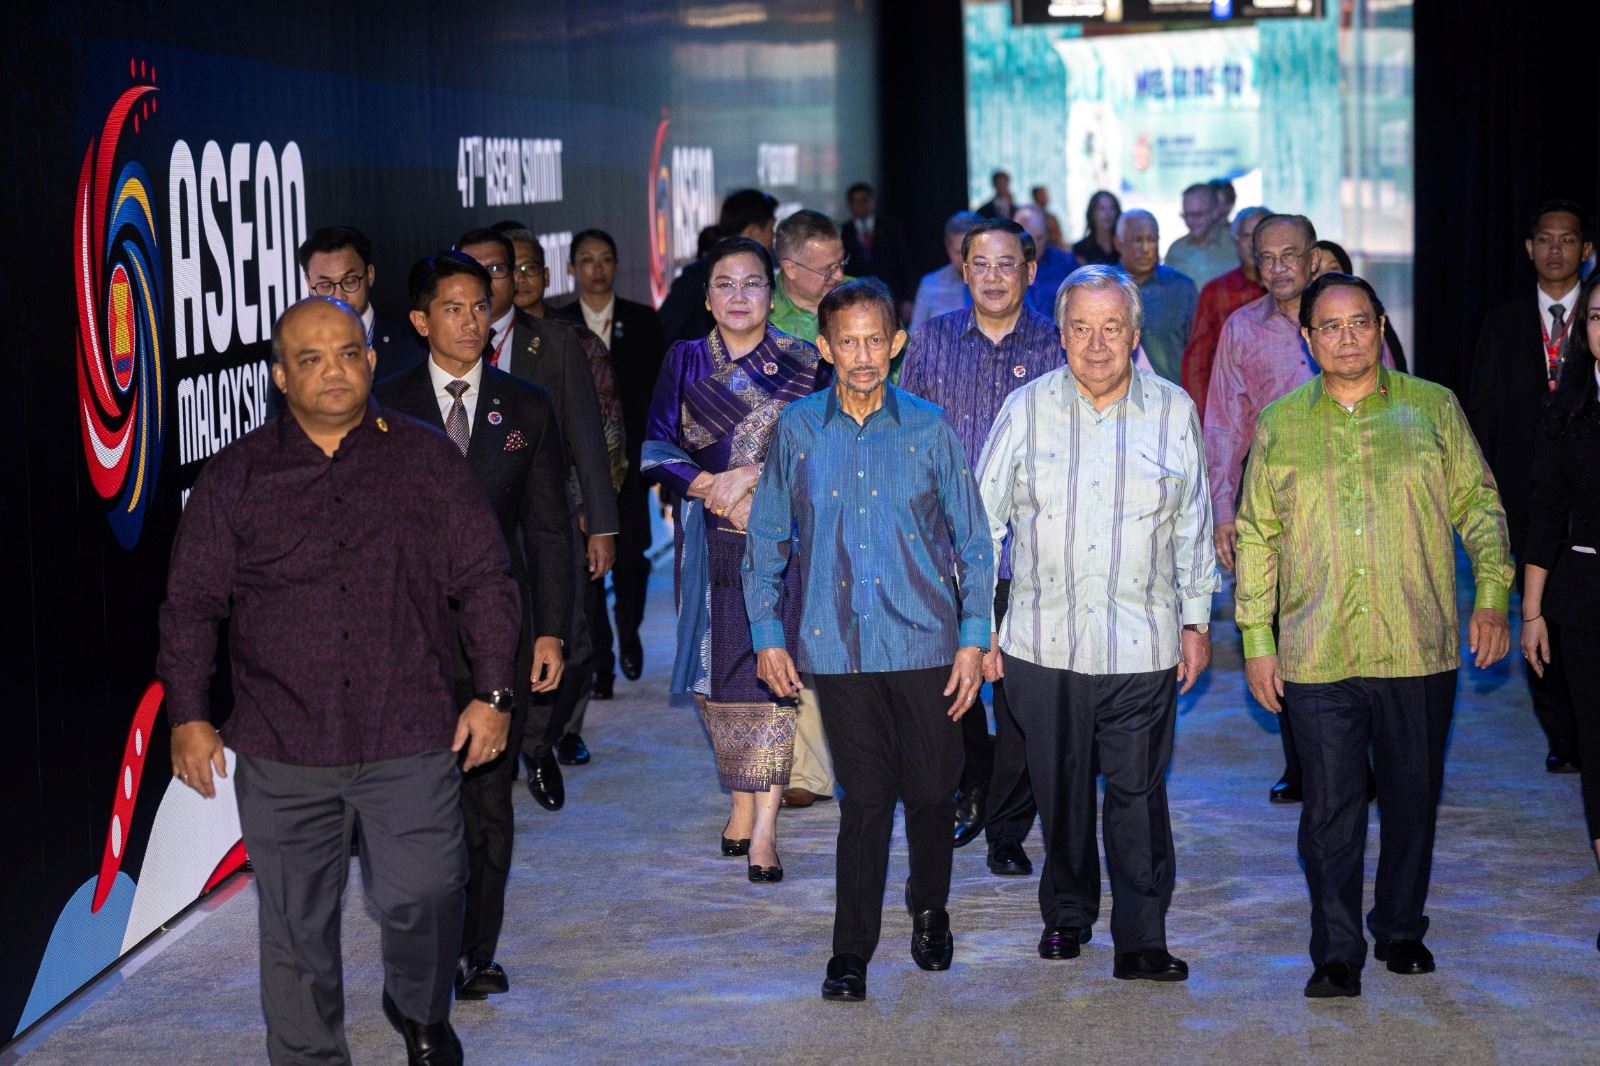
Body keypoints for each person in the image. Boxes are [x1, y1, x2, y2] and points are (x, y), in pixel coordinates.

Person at [159, 296, 523, 1065]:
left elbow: (487, 579)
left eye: (349, 353)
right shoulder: (237, 477)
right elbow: (192, 604)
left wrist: (493, 693)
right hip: (283, 740)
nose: (334, 371)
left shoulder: (426, 459)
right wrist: (188, 713)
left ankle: (419, 1004)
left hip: (410, 730)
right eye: (311, 359)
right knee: (295, 928)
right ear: (280, 377)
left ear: (369, 357)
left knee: (423, 895)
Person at [1234, 272, 1512, 998]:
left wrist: (1490, 597)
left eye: (1361, 322)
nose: (1347, 338)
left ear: (1382, 326)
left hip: (1416, 642)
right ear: (1308, 339)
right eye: (1330, 326)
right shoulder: (1281, 424)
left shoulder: (1432, 409)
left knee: (1412, 798)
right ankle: (1335, 949)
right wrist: (1257, 641)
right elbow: (1257, 535)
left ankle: (1398, 928)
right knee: (1329, 808)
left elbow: (1481, 505)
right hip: (1317, 649)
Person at [743, 278, 992, 1002]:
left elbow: (975, 545)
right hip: (838, 646)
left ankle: (930, 911)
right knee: (866, 803)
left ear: (898, 343)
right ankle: (849, 953)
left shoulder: (929, 427)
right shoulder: (797, 429)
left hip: (928, 648)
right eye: (846, 342)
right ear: (823, 348)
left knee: (931, 793)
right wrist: (768, 635)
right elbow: (767, 541)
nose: (861, 356)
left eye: (874, 340)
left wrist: (973, 639)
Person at [976, 264, 1216, 983]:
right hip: (1041, 645)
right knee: (1062, 795)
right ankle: (1069, 916)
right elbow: (978, 525)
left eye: (1112, 328)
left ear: (1135, 334)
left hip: (1142, 641)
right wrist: (976, 628)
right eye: (1081, 328)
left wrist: (1197, 621)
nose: (1097, 344)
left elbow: (1193, 528)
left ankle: (1142, 939)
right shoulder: (1025, 409)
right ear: (1061, 334)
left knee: (1139, 799)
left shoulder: (1174, 411)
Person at [374, 252, 572, 1003]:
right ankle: (425, 947)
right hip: (408, 642)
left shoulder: (524, 405)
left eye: (479, 305)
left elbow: (550, 527)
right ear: (421, 321)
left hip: (498, 634)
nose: (470, 319)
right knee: (416, 803)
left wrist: (550, 630)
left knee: (489, 803)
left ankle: (477, 953)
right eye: (452, 308)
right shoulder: (383, 405)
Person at [642, 236, 825, 882]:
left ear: (771, 294)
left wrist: (750, 477)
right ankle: (742, 799)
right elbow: (656, 448)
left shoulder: (804, 361)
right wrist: (711, 491)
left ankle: (765, 831)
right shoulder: (684, 360)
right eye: (726, 284)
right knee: (710, 672)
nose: (740, 296)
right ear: (708, 296)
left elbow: (818, 447)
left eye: (752, 284)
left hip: (781, 536)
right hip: (705, 534)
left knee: (770, 668)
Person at [1206, 214, 1393, 804]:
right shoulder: (1241, 328)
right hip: (1277, 510)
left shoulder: (1348, 318)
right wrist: (1223, 511)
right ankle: (1303, 762)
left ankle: (1363, 759)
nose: (1279, 266)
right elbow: (1224, 425)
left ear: (1314, 257)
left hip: (1358, 504)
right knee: (1289, 636)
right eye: (1268, 257)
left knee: (1361, 624)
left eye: (1291, 254)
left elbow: (1395, 406)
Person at [899, 216, 1060, 861]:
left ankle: (1008, 828)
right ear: (962, 272)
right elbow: (903, 435)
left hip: (1035, 551)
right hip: (945, 550)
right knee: (953, 687)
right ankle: (976, 781)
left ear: (1030, 271)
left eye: (1007, 264)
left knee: (1022, 695)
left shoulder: (1058, 343)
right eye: (981, 265)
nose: (994, 277)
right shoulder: (931, 343)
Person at [455, 228, 618, 807]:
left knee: (563, 638)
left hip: (547, 518)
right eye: (474, 271)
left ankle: (540, 742)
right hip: (471, 529)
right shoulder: (437, 348)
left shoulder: (552, 342)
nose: (492, 281)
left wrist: (601, 521)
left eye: (500, 270)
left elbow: (587, 436)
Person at [1467, 199, 1592, 775]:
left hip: (1589, 494)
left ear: (1585, 249)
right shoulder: (1505, 319)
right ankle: (1561, 733)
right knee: (1536, 611)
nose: (1556, 250)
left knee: (1580, 612)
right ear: (1529, 248)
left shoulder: (1596, 314)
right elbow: (1485, 411)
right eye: (1545, 239)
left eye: (1568, 240)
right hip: (1525, 495)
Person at [552, 229, 667, 711]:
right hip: (578, 468)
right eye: (586, 259)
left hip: (631, 462)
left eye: (605, 258)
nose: (596, 268)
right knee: (588, 568)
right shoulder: (557, 324)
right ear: (572, 268)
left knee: (635, 556)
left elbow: (660, 393)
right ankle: (601, 662)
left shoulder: (642, 320)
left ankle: (630, 632)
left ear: (616, 266)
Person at [1519, 270, 1600, 954]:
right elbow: (1545, 510)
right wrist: (1532, 610)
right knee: (1599, 755)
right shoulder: (1568, 407)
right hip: (1586, 599)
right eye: (1598, 316)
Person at [297, 226, 422, 380]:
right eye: (326, 286)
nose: (338, 297)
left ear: (369, 275)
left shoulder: (413, 343)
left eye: (349, 282)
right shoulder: (294, 349)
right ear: (309, 284)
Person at [1180, 206, 1270, 420]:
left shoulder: (1290, 292)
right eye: (1247, 236)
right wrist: (1201, 421)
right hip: (1229, 414)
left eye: (1260, 235)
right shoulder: (1216, 292)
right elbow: (1197, 362)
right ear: (1236, 241)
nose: (1254, 243)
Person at [660, 188, 779, 343]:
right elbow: (663, 330)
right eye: (771, 229)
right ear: (753, 231)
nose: (773, 237)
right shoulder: (697, 275)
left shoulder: (771, 268)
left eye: (751, 284)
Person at [1115, 209, 1196, 384]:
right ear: (1118, 243)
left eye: (1151, 240)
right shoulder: (1101, 288)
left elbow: (1197, 354)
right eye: (1138, 240)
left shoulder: (1181, 288)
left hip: (1171, 398)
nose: (1145, 249)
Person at [1311, 239, 1408, 373]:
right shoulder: (1307, 325)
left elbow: (1401, 371)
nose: (1326, 276)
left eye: (1333, 268)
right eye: (1316, 270)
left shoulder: (1376, 318)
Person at [771, 209, 849, 343]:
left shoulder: (867, 296)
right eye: (828, 269)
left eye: (841, 263)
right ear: (791, 269)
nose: (840, 276)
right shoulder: (759, 311)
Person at [840, 181, 912, 316]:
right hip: (854, 300)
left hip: (890, 297)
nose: (860, 205)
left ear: (872, 201)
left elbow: (903, 263)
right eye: (855, 201)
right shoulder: (843, 232)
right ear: (849, 205)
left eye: (864, 200)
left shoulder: (890, 228)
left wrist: (907, 298)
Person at [910, 211, 979, 330]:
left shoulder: (997, 282)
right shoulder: (930, 285)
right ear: (947, 246)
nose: (965, 259)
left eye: (971, 251)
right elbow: (914, 338)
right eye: (958, 252)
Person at [1015, 203, 1079, 320]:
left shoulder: (1066, 263)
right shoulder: (999, 267)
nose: (1034, 246)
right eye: (1028, 239)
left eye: (1039, 238)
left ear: (1047, 235)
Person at [1164, 183, 1235, 287]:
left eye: (1197, 215)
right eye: (1186, 215)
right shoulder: (1176, 250)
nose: (1190, 221)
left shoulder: (1234, 245)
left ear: (1215, 212)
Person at [1072, 190, 1122, 266]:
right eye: (1102, 208)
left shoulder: (1126, 244)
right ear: (1092, 213)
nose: (1108, 214)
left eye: (1112, 208)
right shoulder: (1080, 249)